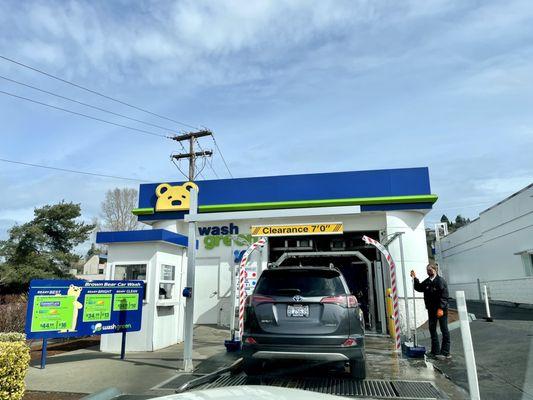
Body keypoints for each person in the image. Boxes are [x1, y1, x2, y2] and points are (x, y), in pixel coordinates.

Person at [410, 264, 451, 360]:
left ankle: (445, 352)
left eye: (430, 269)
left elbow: (444, 296)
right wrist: (415, 278)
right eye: (427, 270)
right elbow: (419, 288)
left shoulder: (440, 281)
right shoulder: (428, 281)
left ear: (435, 270)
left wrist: (441, 308)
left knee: (444, 329)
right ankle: (435, 351)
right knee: (432, 329)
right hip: (431, 309)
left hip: (441, 310)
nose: (428, 271)